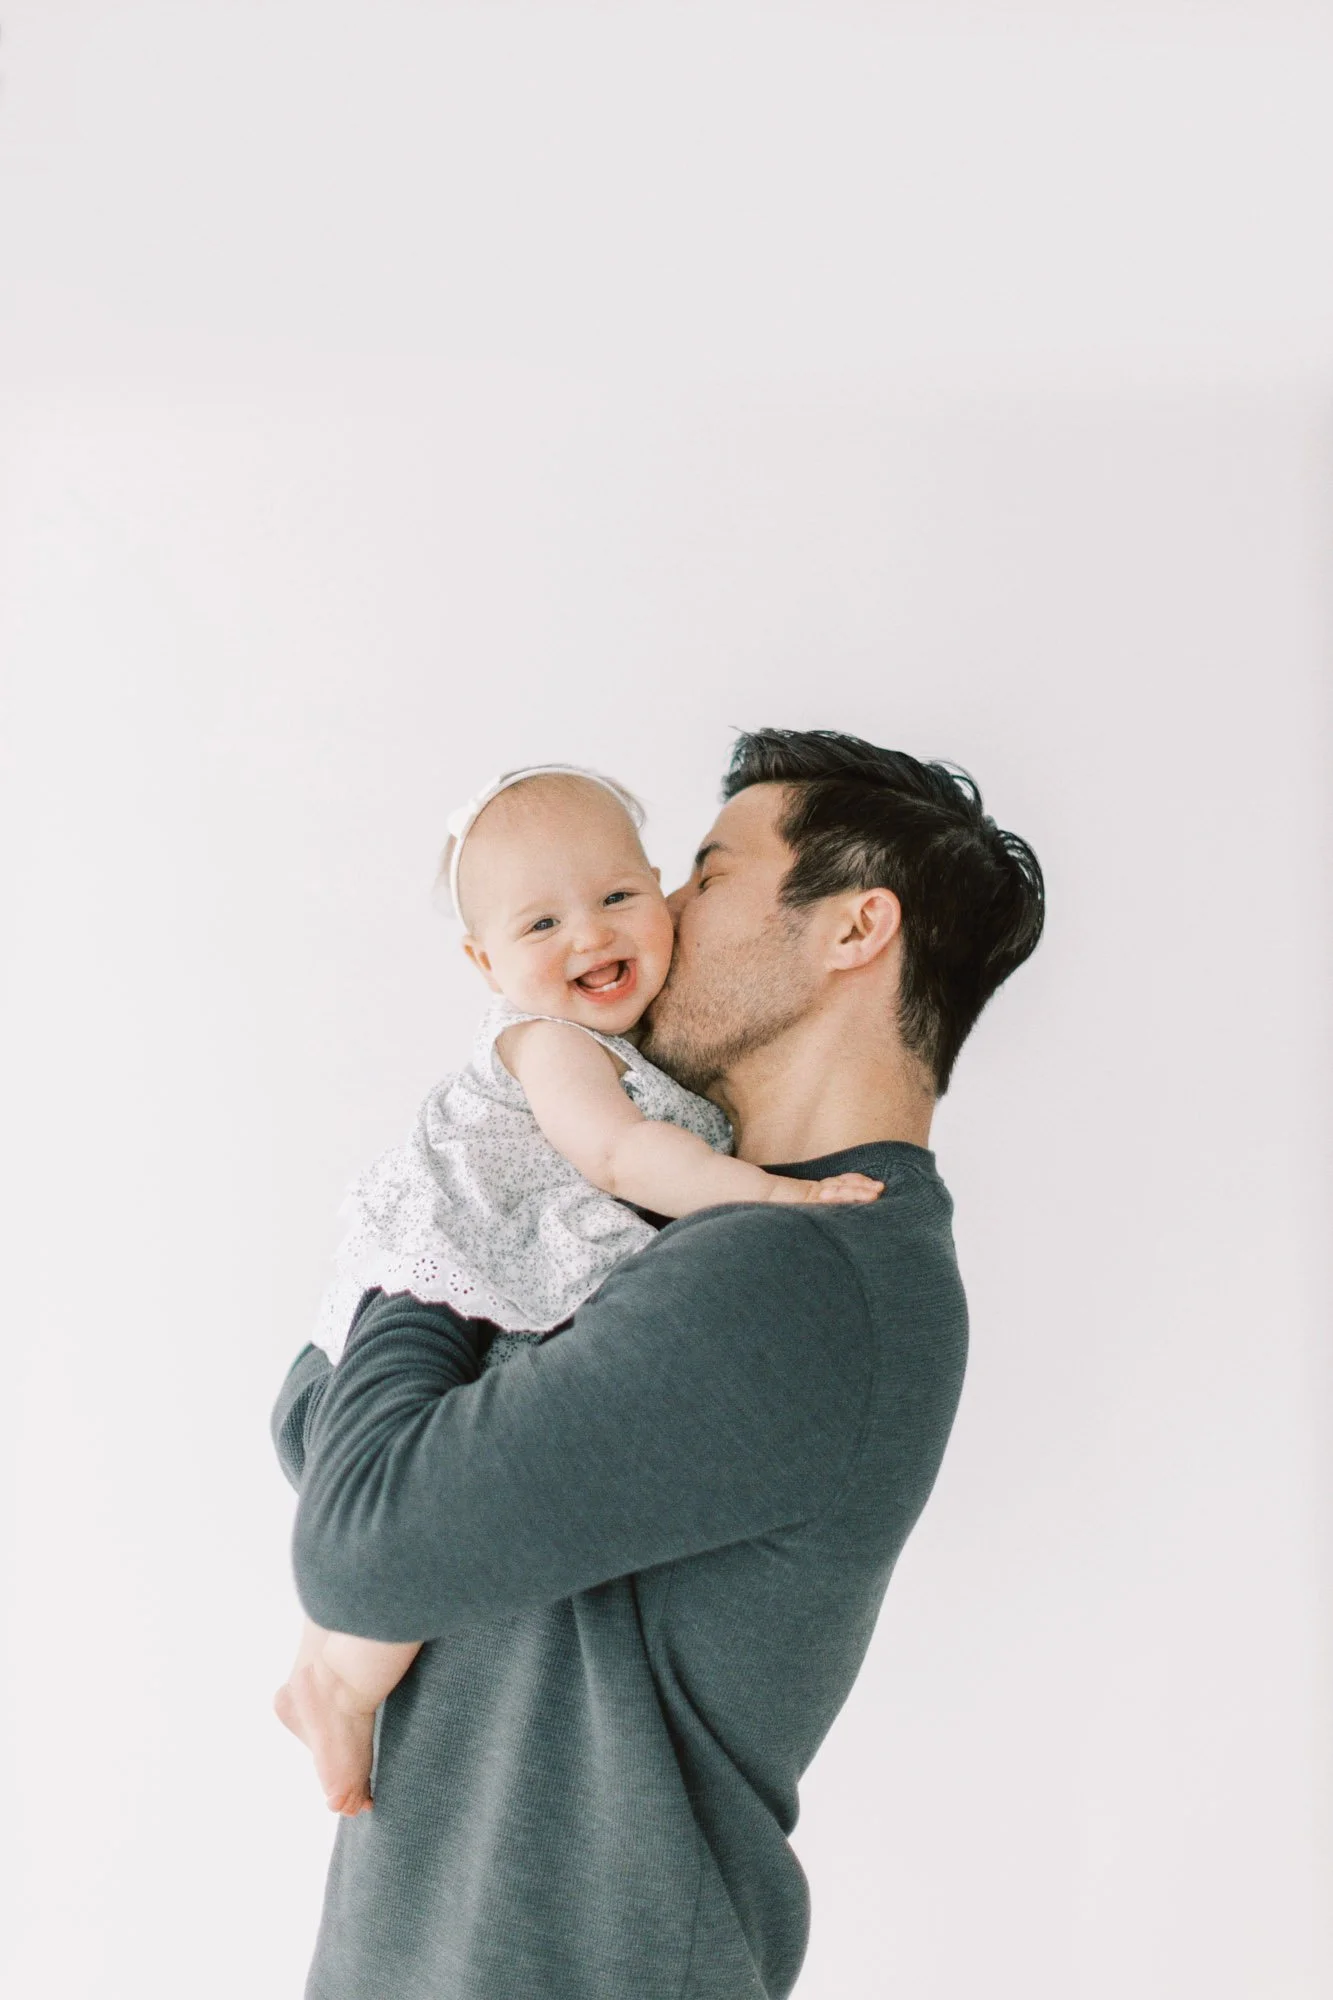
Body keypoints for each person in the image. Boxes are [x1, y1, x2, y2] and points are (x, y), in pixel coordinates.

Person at [270, 727, 1045, 2000]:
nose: (662, 908)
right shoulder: (673, 1223)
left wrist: (430, 1232)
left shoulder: (798, 1268)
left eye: (708, 871)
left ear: (853, 928)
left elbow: (358, 1531)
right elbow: (310, 1421)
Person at [274, 761, 882, 1817]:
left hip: (501, 1273)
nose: (590, 936)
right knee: (407, 1533)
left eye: (617, 896)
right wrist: (770, 1195)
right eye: (542, 923)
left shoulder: (632, 1046)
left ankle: (321, 1668)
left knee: (431, 1495)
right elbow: (616, 1156)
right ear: (486, 963)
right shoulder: (552, 1042)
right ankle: (337, 1684)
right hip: (450, 1266)